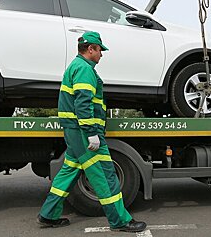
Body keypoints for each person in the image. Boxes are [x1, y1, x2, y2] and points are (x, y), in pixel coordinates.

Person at [37, 31, 147, 233]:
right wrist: (91, 133)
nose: (101, 55)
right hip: (84, 133)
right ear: (90, 49)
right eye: (99, 50)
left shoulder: (76, 67)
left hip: (74, 132)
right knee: (106, 176)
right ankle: (120, 220)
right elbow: (83, 102)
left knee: (68, 172)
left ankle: (48, 214)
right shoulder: (84, 69)